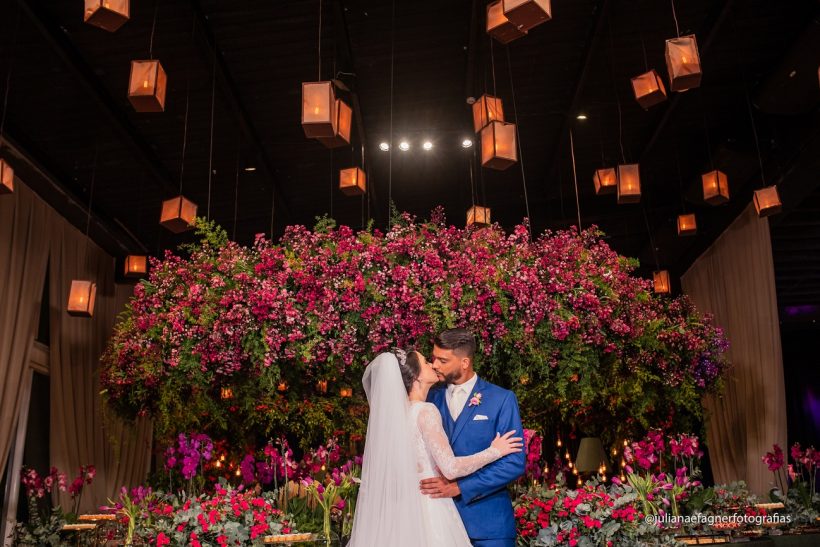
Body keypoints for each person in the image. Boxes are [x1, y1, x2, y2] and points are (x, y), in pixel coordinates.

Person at [348, 349, 522, 547]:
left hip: (406, 512)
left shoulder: (394, 418)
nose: (433, 365)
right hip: (431, 507)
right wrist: (496, 451)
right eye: (426, 362)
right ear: (416, 376)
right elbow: (451, 468)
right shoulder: (426, 410)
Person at [422, 328, 526, 547]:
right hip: (439, 523)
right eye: (433, 358)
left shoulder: (502, 399)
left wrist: (461, 487)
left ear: (465, 362)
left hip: (489, 527)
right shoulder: (428, 399)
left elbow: (513, 463)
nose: (435, 365)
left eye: (443, 360)